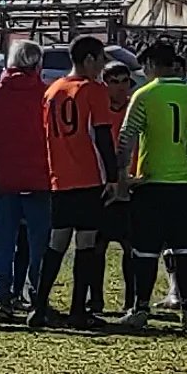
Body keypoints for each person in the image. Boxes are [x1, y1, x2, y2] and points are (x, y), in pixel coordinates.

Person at [116, 40, 187, 330]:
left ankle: (140, 308)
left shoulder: (144, 95)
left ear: (151, 65)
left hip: (151, 183)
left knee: (145, 251)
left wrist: (123, 175)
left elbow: (127, 136)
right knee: (185, 250)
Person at [30, 36, 117, 331]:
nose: (102, 66)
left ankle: (39, 306)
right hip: (88, 176)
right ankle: (78, 310)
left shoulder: (52, 90)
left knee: (57, 243)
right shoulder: (93, 90)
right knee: (85, 243)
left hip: (60, 177)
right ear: (89, 59)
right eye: (100, 59)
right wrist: (113, 176)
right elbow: (102, 135)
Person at [0, 40, 51, 324]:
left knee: (4, 243)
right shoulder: (47, 94)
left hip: (3, 181)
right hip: (41, 179)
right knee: (40, 245)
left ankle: (1, 299)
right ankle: (37, 298)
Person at [92, 60, 133, 317]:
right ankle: (95, 300)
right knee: (97, 246)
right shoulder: (97, 111)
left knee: (131, 247)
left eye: (124, 81)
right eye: (113, 82)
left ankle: (131, 302)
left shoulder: (136, 109)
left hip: (129, 188)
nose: (119, 87)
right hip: (102, 186)